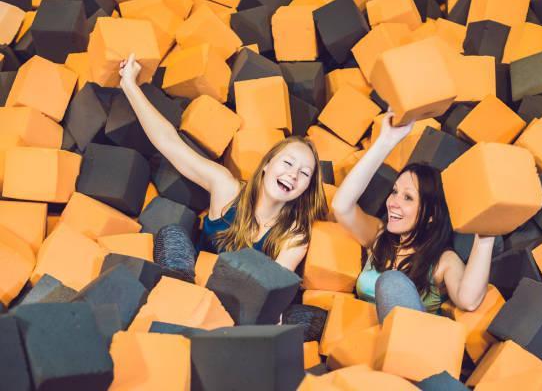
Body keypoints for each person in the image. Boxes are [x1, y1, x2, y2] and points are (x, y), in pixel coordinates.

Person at [119, 54, 327, 274]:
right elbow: (169, 142)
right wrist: (130, 85)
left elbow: (274, 288)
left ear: (307, 188)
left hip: (241, 294)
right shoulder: (226, 188)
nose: (293, 174)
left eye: (305, 173)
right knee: (173, 234)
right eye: (288, 162)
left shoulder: (293, 236)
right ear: (266, 165)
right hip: (188, 282)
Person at [331, 110, 495, 322]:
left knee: (392, 283)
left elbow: (469, 301)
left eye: (408, 197)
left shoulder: (443, 260)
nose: (393, 202)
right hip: (359, 337)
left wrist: (486, 234)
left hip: (406, 340)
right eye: (394, 192)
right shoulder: (379, 236)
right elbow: (341, 206)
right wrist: (385, 142)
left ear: (431, 215)